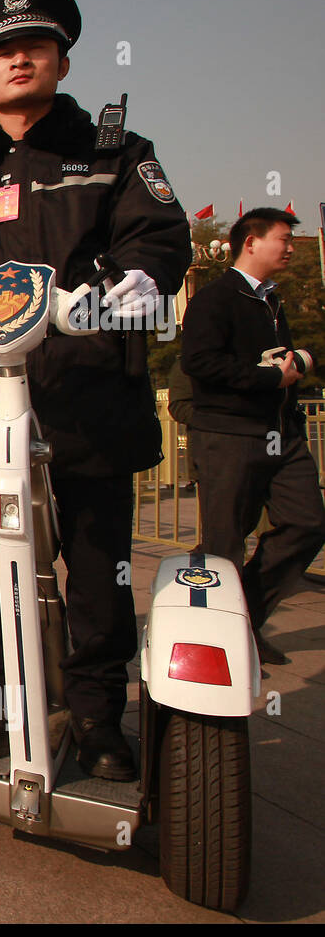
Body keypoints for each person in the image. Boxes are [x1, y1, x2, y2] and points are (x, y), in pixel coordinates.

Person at [0, 0, 192, 780]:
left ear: (61, 60)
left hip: (90, 395)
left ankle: (98, 719)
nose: (17, 59)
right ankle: (2, 703)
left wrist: (141, 278)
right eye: (0, 51)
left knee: (98, 572)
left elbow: (159, 235)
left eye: (34, 46)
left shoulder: (116, 156)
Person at [180, 207, 325, 665]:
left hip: (283, 433)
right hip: (229, 435)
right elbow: (200, 363)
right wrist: (268, 379)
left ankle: (243, 617)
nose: (287, 247)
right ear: (250, 242)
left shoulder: (272, 300)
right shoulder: (215, 299)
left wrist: (295, 367)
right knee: (224, 542)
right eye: (282, 239)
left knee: (307, 523)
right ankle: (214, 637)